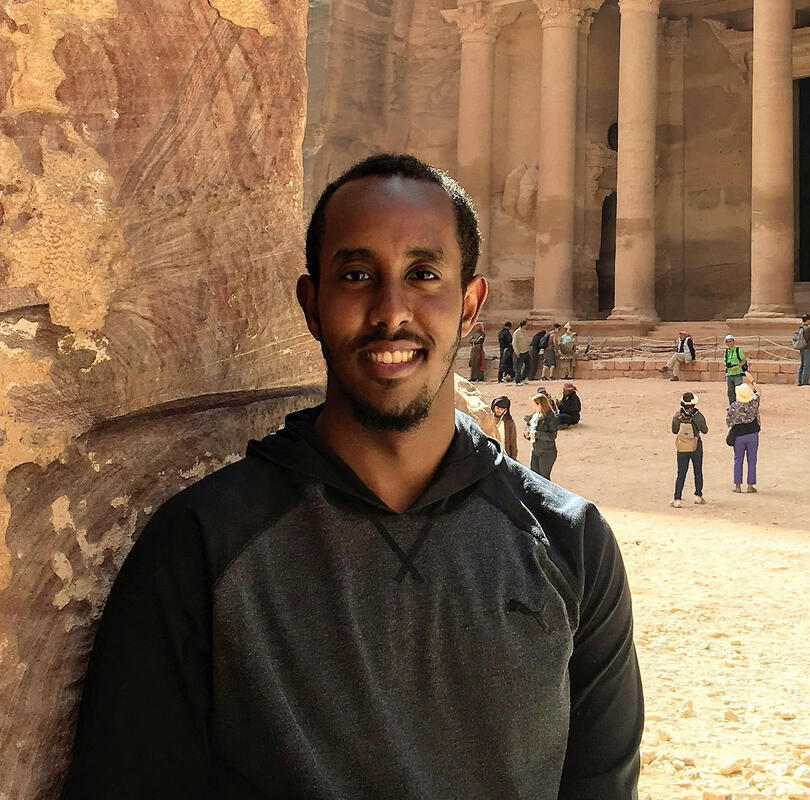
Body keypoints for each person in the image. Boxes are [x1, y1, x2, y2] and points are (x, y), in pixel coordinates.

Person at [59, 153, 642, 798]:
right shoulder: (201, 547)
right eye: (359, 275)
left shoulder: (573, 545)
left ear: (471, 303)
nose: (391, 311)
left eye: (423, 275)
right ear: (311, 304)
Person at [670, 392, 707, 507]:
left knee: (681, 473)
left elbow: (674, 431)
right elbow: (705, 430)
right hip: (695, 445)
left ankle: (677, 498)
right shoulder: (698, 416)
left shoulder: (677, 417)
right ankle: (698, 496)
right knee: (698, 471)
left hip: (682, 446)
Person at [726, 374, 761, 493]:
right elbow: (759, 391)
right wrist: (752, 381)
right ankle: (750, 485)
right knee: (752, 460)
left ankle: (737, 485)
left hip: (739, 435)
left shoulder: (734, 406)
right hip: (752, 434)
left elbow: (729, 421)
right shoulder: (754, 403)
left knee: (738, 459)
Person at [525, 392, 560, 479]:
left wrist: (537, 434)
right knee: (534, 476)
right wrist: (528, 435)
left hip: (547, 452)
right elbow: (530, 428)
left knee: (544, 479)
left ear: (540, 404)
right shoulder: (535, 416)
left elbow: (552, 436)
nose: (533, 407)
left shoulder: (551, 418)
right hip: (535, 450)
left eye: (534, 405)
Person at [722, 334, 748, 405]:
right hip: (729, 373)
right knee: (730, 391)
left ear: (733, 342)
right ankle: (732, 406)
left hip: (737, 373)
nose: (729, 343)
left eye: (730, 341)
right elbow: (725, 360)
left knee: (739, 390)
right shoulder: (726, 351)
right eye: (727, 342)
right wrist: (724, 363)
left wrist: (737, 366)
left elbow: (743, 360)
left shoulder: (738, 350)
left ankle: (741, 405)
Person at [512, 318, 532, 385]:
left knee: (528, 365)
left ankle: (523, 378)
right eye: (526, 325)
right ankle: (518, 381)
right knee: (518, 367)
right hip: (520, 352)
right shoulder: (517, 332)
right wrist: (517, 352)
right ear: (523, 325)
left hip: (526, 351)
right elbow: (514, 343)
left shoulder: (525, 332)